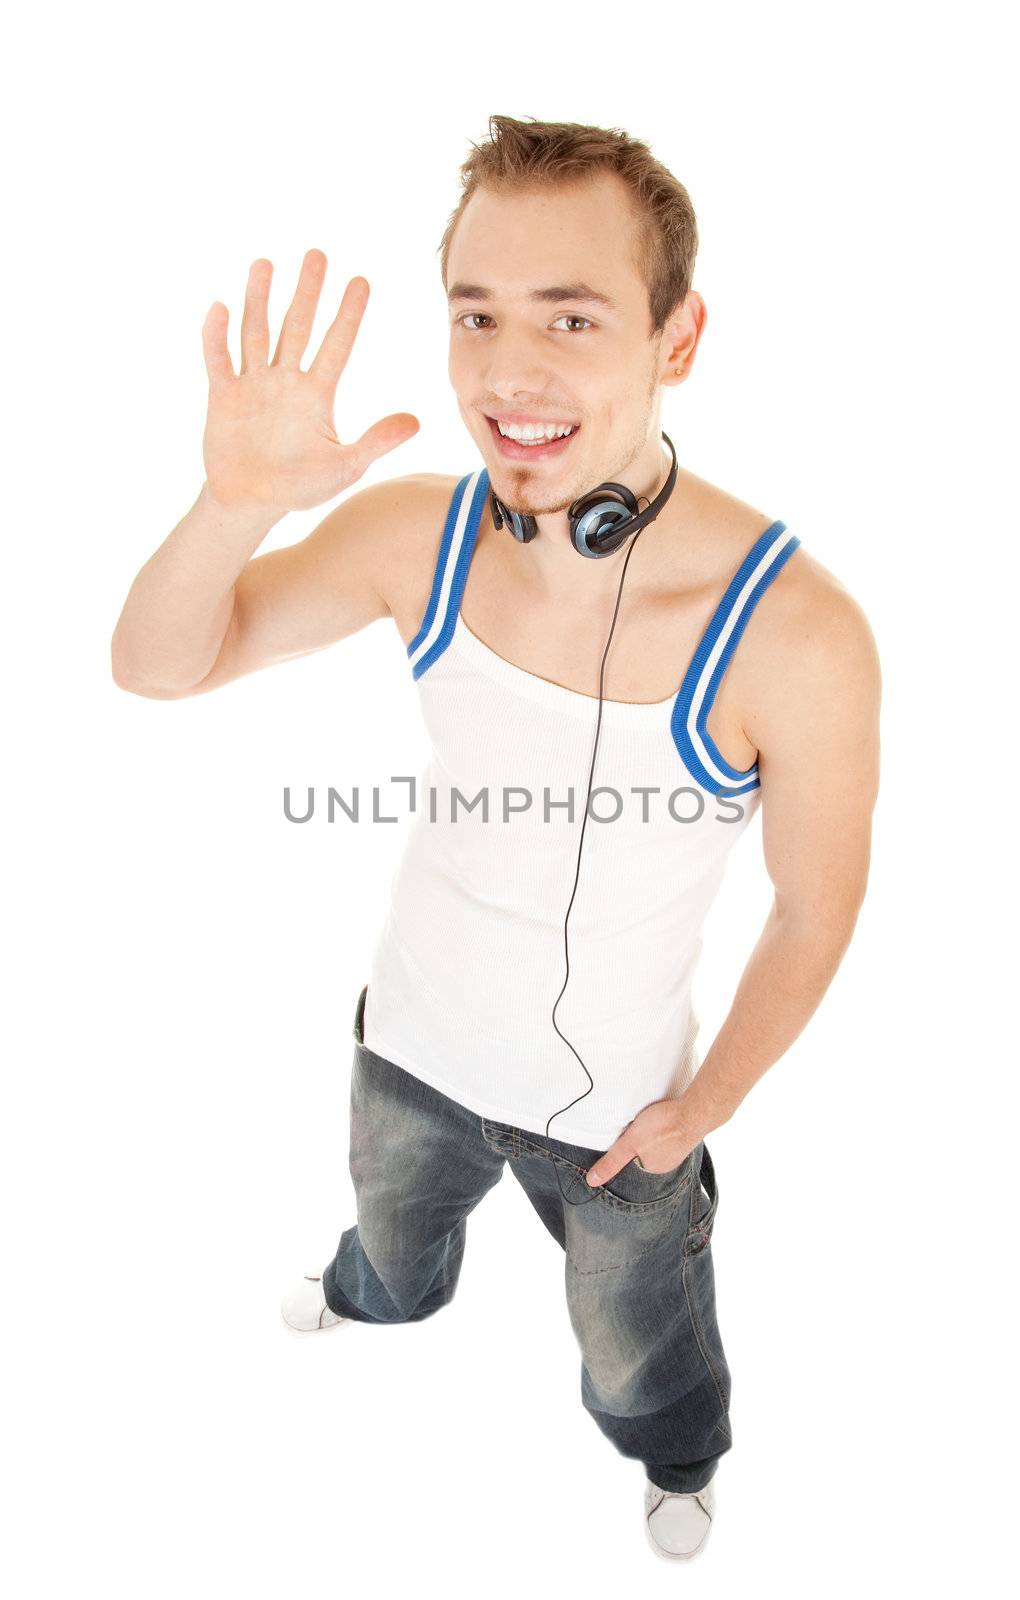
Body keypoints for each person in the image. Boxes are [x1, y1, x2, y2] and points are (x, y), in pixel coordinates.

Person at [111, 115, 881, 1562]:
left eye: (572, 317)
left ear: (679, 335)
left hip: (626, 1125)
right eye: (477, 318)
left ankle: (678, 1458)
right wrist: (235, 507)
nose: (509, 376)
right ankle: (370, 1296)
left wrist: (705, 1106)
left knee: (639, 1344)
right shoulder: (421, 533)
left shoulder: (798, 631)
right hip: (409, 1043)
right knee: (390, 1241)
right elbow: (158, 664)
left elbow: (814, 907)